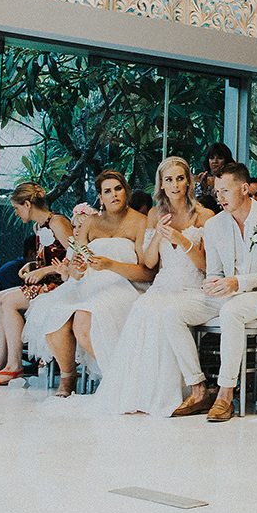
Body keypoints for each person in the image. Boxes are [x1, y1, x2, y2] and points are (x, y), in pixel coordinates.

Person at [165, 163, 257, 420]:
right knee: (172, 313)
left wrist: (238, 283)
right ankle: (198, 389)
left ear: (245, 188)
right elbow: (215, 272)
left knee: (231, 311)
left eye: (225, 191)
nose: (220, 197)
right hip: (228, 294)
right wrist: (212, 284)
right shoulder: (215, 224)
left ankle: (225, 395)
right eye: (217, 192)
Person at [93, 157, 213, 415]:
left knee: (165, 313)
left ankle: (182, 392)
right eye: (169, 180)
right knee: (144, 308)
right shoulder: (154, 214)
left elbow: (206, 265)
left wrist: (182, 240)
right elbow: (149, 262)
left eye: (180, 178)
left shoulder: (205, 216)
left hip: (192, 287)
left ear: (188, 181)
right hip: (163, 284)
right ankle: (143, 394)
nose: (175, 185)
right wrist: (158, 233)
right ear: (161, 184)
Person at [23, 170, 150, 397]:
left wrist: (110, 265)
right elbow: (74, 266)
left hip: (124, 285)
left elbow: (147, 273)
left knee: (83, 319)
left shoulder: (140, 223)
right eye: (107, 191)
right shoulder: (91, 223)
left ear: (126, 191)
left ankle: (118, 377)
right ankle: (68, 376)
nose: (114, 195)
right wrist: (78, 269)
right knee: (53, 313)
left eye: (118, 189)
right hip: (88, 285)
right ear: (100, 197)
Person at [0, 183, 73, 386]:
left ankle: (14, 365)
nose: (16, 213)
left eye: (16, 208)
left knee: (9, 301)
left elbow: (75, 257)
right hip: (46, 283)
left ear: (27, 204)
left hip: (61, 285)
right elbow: (49, 256)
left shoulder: (58, 222)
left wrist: (44, 271)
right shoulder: (39, 226)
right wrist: (32, 266)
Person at [195, 142, 234, 211]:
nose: (215, 161)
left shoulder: (232, 181)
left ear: (226, 160)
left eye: (219, 158)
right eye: (211, 158)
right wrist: (203, 187)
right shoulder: (198, 180)